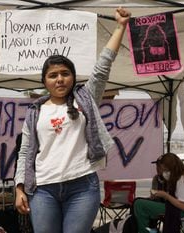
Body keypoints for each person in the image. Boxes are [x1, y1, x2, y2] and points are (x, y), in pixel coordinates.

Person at [14, 7, 131, 233]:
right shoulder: (35, 112)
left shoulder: (85, 98)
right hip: (42, 189)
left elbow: (103, 67)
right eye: (53, 75)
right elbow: (24, 151)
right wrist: (19, 188)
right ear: (45, 82)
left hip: (82, 187)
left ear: (73, 77)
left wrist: (120, 26)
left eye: (65, 73)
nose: (60, 79)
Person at [134, 153, 184, 233]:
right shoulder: (183, 177)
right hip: (181, 209)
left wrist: (165, 195)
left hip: (182, 212)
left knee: (139, 204)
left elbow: (183, 206)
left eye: (166, 170)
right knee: (139, 202)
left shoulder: (183, 180)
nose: (164, 172)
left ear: (172, 168)